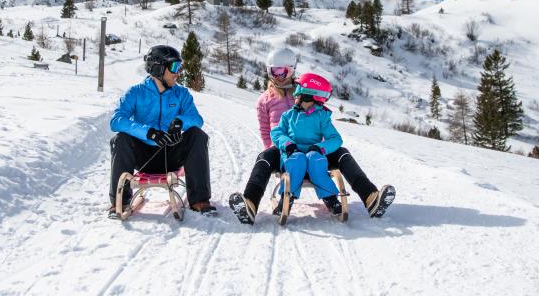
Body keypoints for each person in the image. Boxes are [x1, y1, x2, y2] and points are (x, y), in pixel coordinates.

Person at [229, 48, 394, 224]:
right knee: (264, 157)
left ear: (292, 69)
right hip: (285, 150)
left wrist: (321, 148)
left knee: (343, 153)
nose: (278, 76)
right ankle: (250, 204)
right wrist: (280, 150)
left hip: (316, 151)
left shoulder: (305, 90)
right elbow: (266, 131)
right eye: (273, 71)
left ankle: (371, 198)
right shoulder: (264, 100)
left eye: (282, 71)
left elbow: (326, 121)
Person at [109, 45, 216, 218]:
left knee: (197, 135)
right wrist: (148, 132)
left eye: (179, 67)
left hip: (171, 156)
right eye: (174, 67)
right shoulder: (136, 93)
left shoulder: (181, 93)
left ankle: (199, 200)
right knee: (120, 139)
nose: (178, 72)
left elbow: (197, 119)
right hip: (144, 157)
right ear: (158, 68)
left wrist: (179, 123)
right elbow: (116, 121)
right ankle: (119, 202)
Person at [270, 73, 344, 215]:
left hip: (313, 155)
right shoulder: (288, 115)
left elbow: (335, 139)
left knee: (315, 159)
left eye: (298, 89)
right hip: (292, 155)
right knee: (297, 160)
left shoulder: (321, 116)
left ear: (308, 94)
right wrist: (288, 144)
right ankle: (286, 198)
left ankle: (330, 198)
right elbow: (277, 132)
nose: (295, 94)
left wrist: (320, 147)